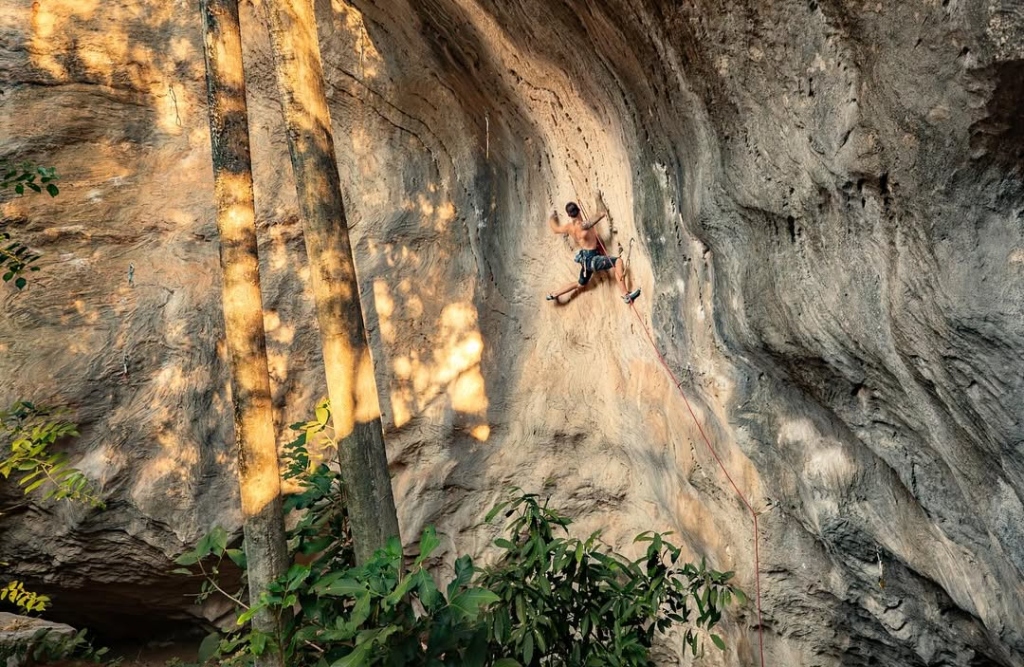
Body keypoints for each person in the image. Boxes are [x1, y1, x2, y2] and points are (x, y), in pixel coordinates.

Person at [545, 201, 641, 305]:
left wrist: (551, 216)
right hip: (592, 259)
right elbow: (601, 214)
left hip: (585, 261)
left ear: (568, 215)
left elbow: (555, 229)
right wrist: (598, 203)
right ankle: (626, 295)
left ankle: (555, 293)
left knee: (580, 284)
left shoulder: (569, 227)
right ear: (579, 210)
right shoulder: (584, 225)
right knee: (618, 262)